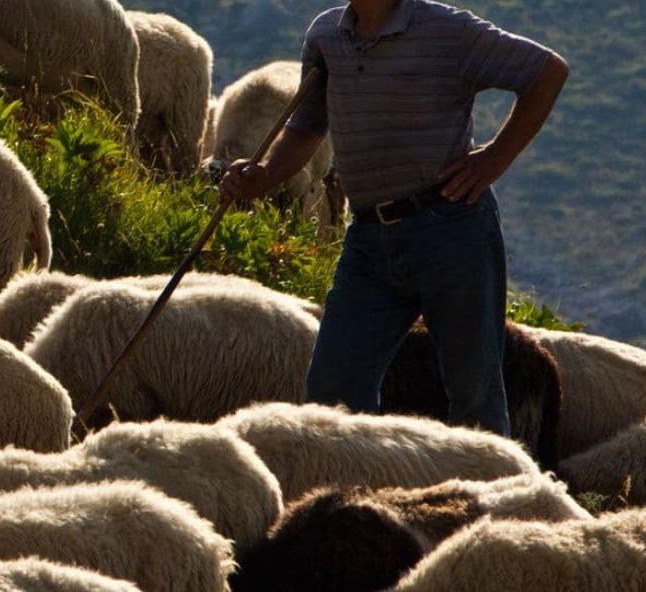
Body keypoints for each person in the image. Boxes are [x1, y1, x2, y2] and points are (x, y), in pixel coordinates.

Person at [219, 0, 568, 436]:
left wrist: (494, 159)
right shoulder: (327, 35)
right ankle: (359, 497)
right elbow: (308, 128)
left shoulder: (446, 29)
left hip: (450, 228)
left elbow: (547, 72)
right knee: (333, 390)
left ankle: (490, 497)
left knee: (473, 392)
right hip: (368, 239)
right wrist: (264, 176)